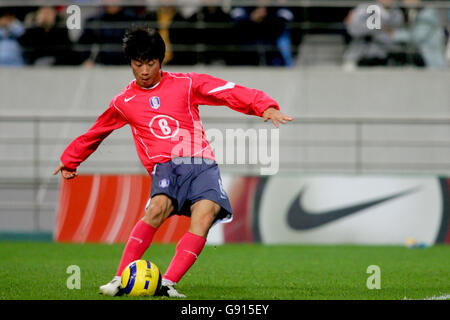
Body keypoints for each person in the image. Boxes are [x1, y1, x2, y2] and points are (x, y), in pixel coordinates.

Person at [53, 27, 292, 298]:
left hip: (201, 163)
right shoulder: (123, 102)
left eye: (150, 63)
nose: (144, 71)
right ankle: (120, 278)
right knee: (157, 208)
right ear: (130, 63)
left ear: (161, 61)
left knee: (206, 215)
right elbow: (98, 131)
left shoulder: (186, 83)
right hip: (165, 166)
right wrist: (71, 160)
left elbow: (227, 91)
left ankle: (167, 283)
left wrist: (264, 105)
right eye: (138, 64)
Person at [343, 0, 404, 68]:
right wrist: (377, 28)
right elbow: (353, 30)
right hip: (359, 56)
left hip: (385, 56)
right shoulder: (364, 9)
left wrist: (377, 29)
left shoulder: (397, 13)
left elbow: (395, 36)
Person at [392, 0, 447, 69]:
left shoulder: (427, 13)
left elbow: (417, 37)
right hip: (422, 60)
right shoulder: (411, 12)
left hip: (431, 61)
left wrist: (395, 35)